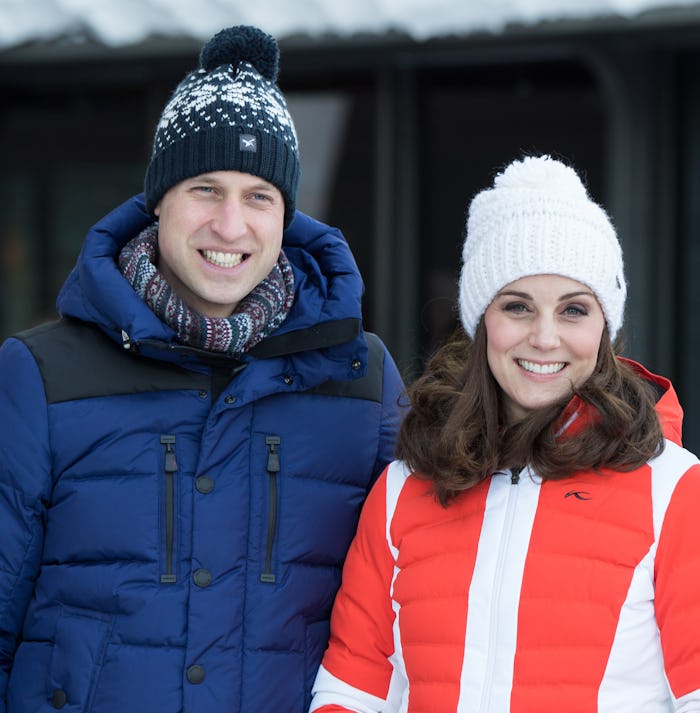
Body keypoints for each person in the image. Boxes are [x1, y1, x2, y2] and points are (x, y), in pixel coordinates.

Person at [0, 25, 404, 713]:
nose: (229, 224)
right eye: (205, 188)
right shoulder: (43, 376)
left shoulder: (359, 380)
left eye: (258, 196)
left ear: (286, 217)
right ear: (158, 201)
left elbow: (409, 611)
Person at [309, 155, 700, 712]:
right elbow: (352, 688)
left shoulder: (674, 490)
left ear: (604, 327)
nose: (544, 338)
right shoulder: (404, 488)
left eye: (573, 310)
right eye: (517, 306)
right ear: (481, 320)